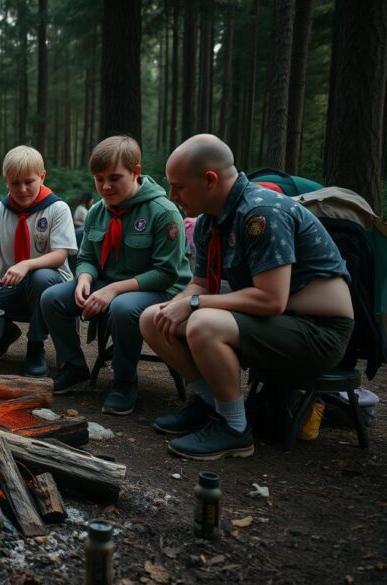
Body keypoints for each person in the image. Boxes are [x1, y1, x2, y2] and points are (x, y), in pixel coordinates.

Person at [140, 134, 354, 461]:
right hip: (275, 323)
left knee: (203, 323)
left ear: (209, 180)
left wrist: (194, 304)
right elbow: (200, 285)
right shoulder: (210, 221)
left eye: (178, 186)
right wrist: (177, 305)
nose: (172, 195)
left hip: (318, 332)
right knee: (152, 318)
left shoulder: (261, 213)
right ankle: (208, 404)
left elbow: (271, 299)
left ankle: (234, 428)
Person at [40, 136, 190, 415]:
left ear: (135, 172)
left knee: (122, 307)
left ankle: (124, 381)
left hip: (159, 290)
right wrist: (84, 279)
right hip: (108, 285)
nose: (105, 186)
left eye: (114, 178)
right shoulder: (97, 212)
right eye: (99, 179)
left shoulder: (163, 212)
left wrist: (113, 290)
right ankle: (74, 367)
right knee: (52, 297)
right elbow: (87, 258)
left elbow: (166, 273)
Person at [0, 146, 77, 377]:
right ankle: (4, 333)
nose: (22, 189)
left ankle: (36, 345)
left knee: (41, 277)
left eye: (29, 182)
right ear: (6, 181)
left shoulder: (57, 208)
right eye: (15, 183)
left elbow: (60, 255)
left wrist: (26, 264)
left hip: (53, 285)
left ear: (42, 177)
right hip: (12, 283)